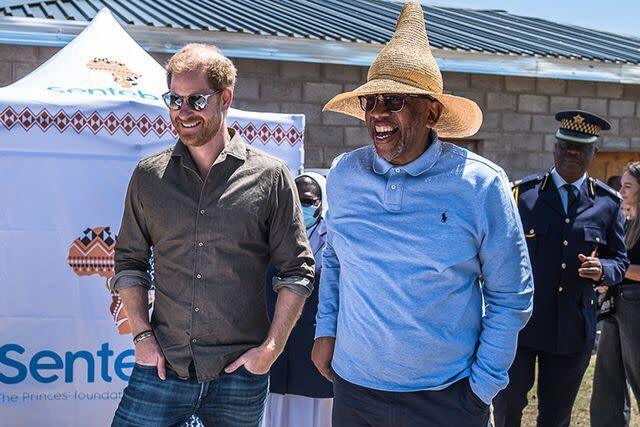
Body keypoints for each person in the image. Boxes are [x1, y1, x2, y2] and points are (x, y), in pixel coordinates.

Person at [311, 3, 534, 426]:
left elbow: (512, 295)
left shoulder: (480, 184)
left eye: (393, 101)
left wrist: (481, 387)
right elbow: (337, 259)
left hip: (446, 398)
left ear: (431, 112)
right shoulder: (344, 174)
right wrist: (326, 331)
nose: (378, 112)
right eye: (370, 101)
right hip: (355, 391)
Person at [109, 43, 315, 426]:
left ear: (226, 98)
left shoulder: (270, 177)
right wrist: (142, 337)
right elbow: (129, 262)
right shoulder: (149, 177)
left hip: (240, 375)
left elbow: (297, 271)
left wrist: (270, 350)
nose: (183, 112)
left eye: (196, 100)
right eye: (174, 100)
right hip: (162, 368)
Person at [494, 110, 629, 427]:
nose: (571, 152)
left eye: (580, 148)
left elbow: (619, 261)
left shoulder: (606, 203)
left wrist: (602, 269)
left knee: (556, 416)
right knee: (507, 407)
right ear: (553, 147)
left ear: (594, 153)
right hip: (522, 324)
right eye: (565, 145)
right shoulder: (523, 196)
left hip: (572, 325)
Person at [264, 172, 333, 427]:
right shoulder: (270, 238)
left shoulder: (335, 243)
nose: (299, 207)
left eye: (307, 201)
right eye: (293, 199)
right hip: (277, 350)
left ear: (321, 202)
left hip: (316, 349)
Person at [590, 162, 640, 426]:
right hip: (614, 306)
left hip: (636, 308)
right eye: (621, 186)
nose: (621, 192)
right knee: (607, 381)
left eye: (628, 187)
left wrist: (616, 271)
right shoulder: (626, 222)